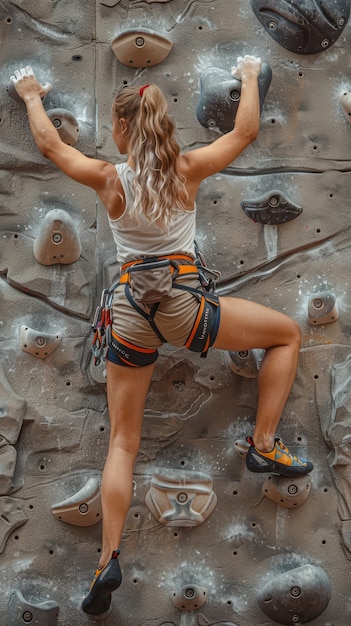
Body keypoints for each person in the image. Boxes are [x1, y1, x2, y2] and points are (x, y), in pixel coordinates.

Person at [11, 57, 313, 620]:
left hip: (128, 310)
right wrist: (248, 77)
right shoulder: (189, 169)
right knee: (288, 334)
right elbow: (244, 131)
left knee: (123, 442)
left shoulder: (108, 178)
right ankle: (264, 444)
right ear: (164, 127)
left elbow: (54, 149)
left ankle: (107, 561)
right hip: (183, 306)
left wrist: (31, 95)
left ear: (122, 130)